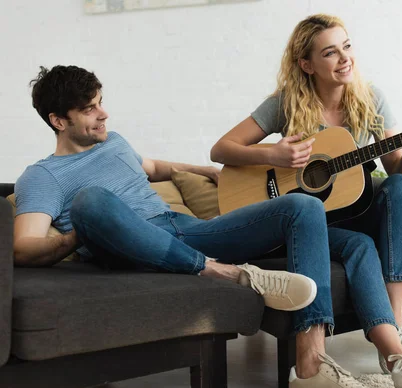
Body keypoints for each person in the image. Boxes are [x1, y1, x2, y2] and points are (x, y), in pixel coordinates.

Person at [211, 14, 402, 388]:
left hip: (351, 212)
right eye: (330, 53)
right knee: (360, 246)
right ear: (307, 64)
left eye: (346, 47)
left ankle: (394, 324)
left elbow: (397, 169)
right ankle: (396, 358)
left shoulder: (370, 98)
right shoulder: (285, 102)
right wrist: (275, 154)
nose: (344, 59)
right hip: (302, 222)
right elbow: (221, 149)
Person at [13, 64, 328, 319]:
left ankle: (312, 360)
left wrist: (202, 169)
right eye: (89, 109)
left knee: (302, 207)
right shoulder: (43, 175)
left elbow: (151, 167)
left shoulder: (115, 142)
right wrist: (82, 233)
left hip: (185, 230)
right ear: (58, 121)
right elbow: (22, 247)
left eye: (100, 102)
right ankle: (222, 272)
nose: (103, 114)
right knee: (89, 200)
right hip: (130, 249)